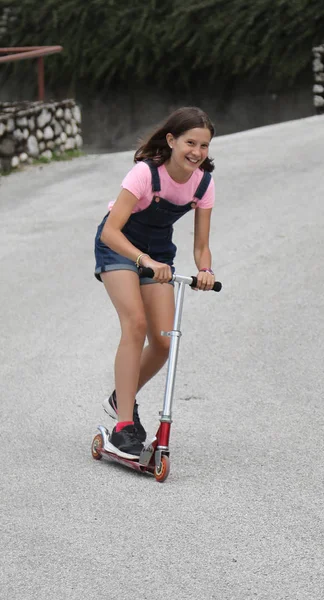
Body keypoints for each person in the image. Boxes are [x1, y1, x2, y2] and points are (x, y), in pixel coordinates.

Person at [94, 106, 216, 460]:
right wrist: (143, 260)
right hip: (119, 248)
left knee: (164, 342)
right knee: (135, 324)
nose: (196, 152)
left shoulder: (204, 183)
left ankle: (122, 395)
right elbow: (110, 230)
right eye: (190, 142)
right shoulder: (145, 174)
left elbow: (201, 245)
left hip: (158, 252)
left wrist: (205, 270)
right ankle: (123, 424)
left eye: (204, 146)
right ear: (171, 140)